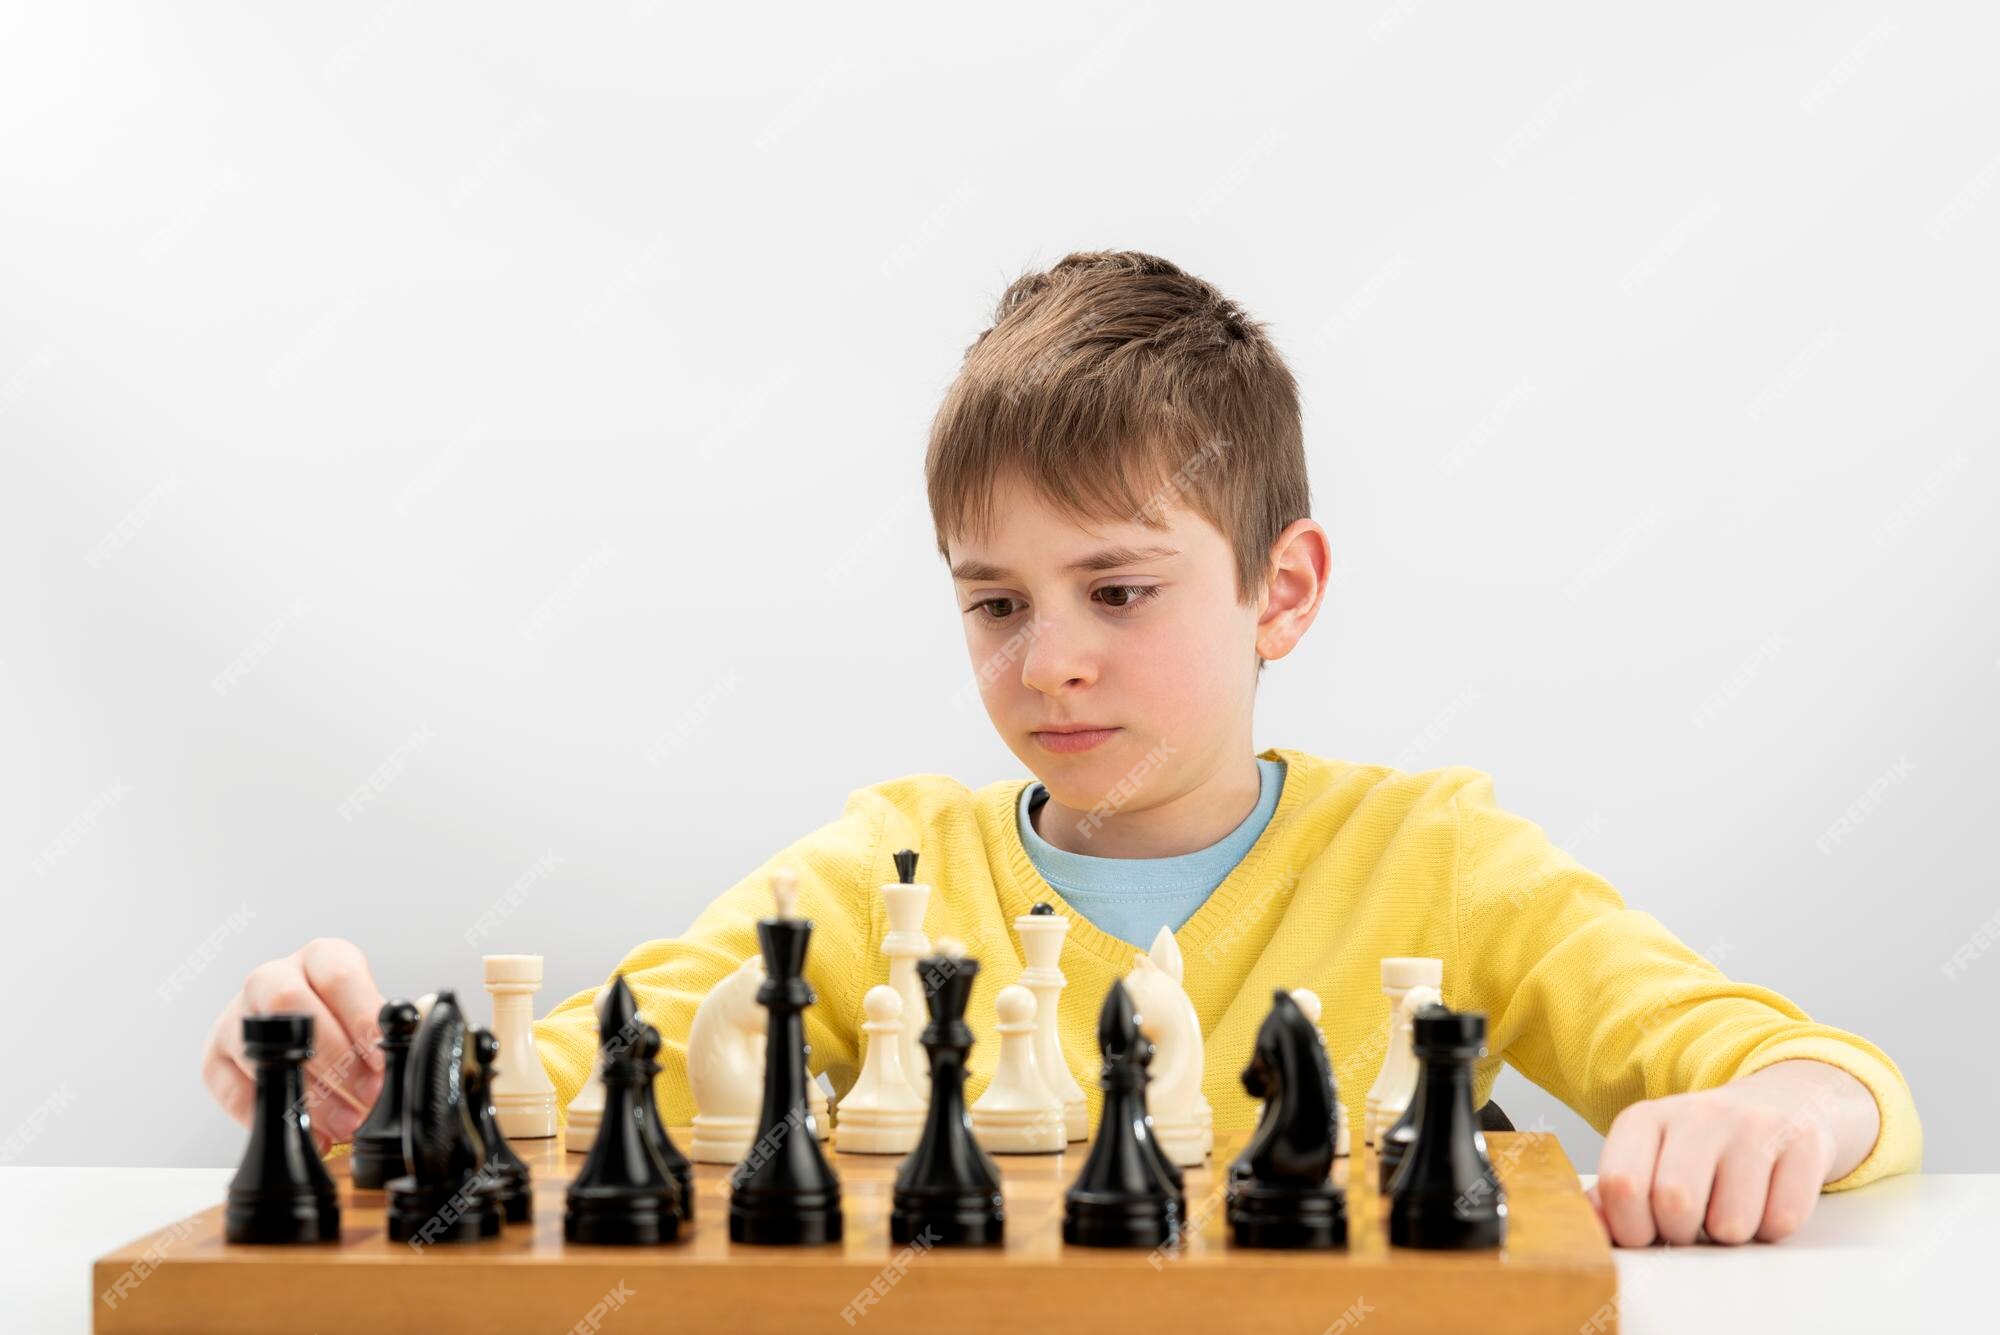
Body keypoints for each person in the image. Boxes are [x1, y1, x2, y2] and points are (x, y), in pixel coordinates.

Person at [201, 250, 1919, 1248]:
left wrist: (1788, 1105)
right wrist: (365, 1086)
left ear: (1282, 589)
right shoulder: (888, 871)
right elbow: (598, 1060)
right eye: (996, 604)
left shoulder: (1441, 862)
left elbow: (1790, 1062)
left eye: (1118, 586)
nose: (1053, 660)